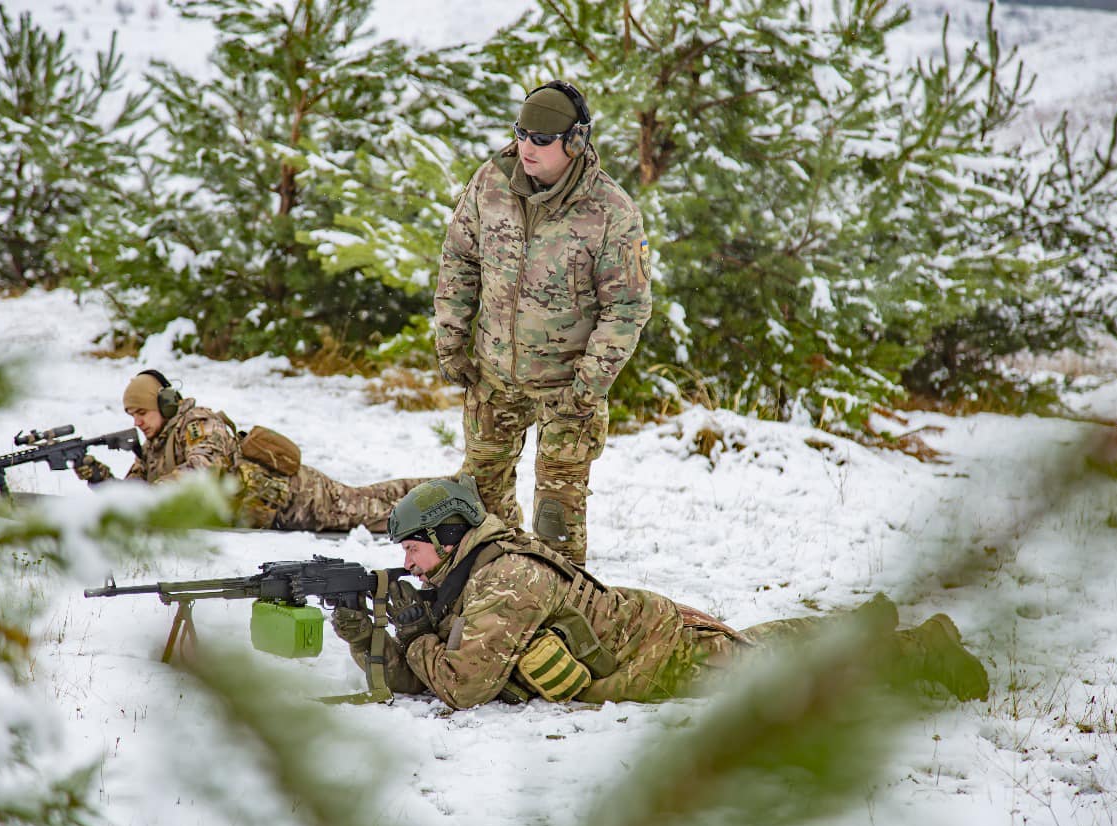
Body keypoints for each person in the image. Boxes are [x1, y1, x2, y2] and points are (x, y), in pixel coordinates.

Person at [329, 478, 991, 709]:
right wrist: (367, 631)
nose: (407, 562)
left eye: (412, 546)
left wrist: (413, 634)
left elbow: (462, 686)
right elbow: (423, 681)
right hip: (646, 641)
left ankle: (919, 649)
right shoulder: (462, 574)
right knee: (761, 648)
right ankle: (861, 623)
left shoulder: (502, 580)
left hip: (662, 652)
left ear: (448, 535)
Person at [434, 80, 653, 566]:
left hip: (567, 392)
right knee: (480, 514)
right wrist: (451, 340)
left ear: (574, 142)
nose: (525, 147)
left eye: (541, 139)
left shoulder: (610, 211)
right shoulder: (490, 183)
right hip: (494, 379)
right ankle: (492, 607)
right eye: (520, 134)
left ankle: (559, 620)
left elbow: (627, 309)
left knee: (556, 526)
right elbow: (460, 259)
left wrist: (587, 388)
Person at [75, 369, 435, 533]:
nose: (137, 422)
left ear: (166, 404)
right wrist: (99, 478)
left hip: (298, 500)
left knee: (383, 513)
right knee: (374, 496)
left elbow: (202, 471)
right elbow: (135, 496)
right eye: (131, 416)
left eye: (142, 412)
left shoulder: (198, 424)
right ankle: (449, 488)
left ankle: (450, 501)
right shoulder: (156, 444)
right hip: (274, 507)